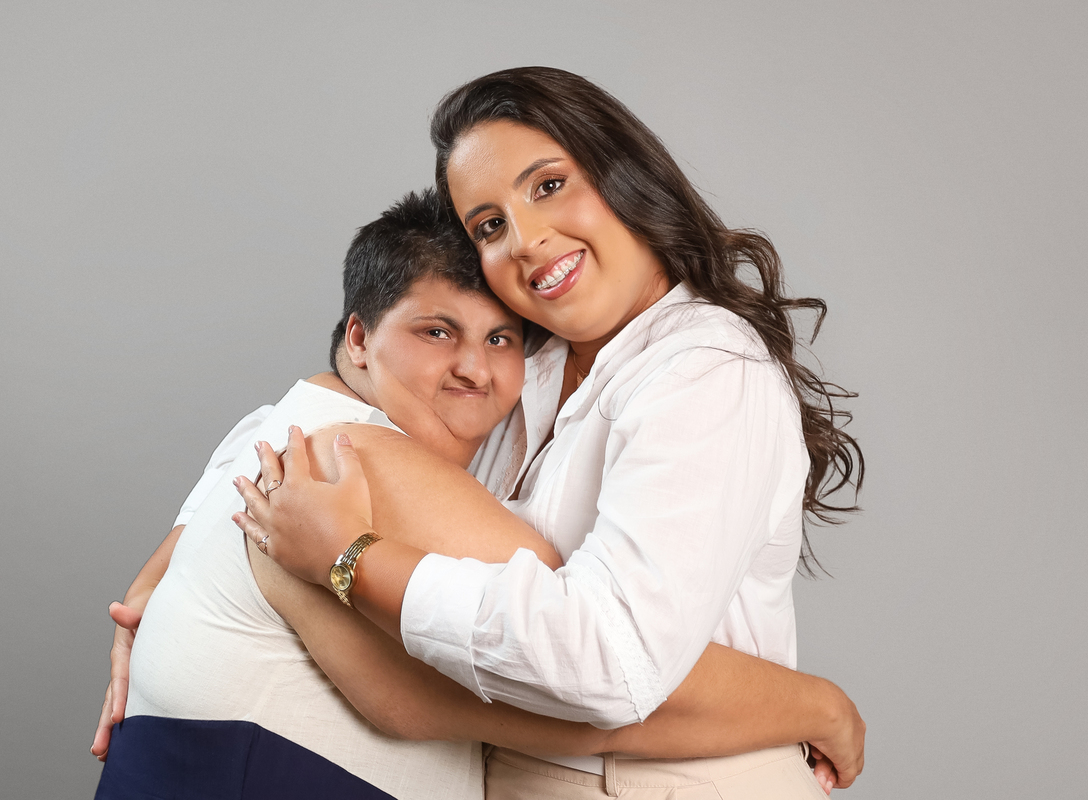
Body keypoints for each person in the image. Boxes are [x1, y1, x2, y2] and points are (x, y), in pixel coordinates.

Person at [94, 190, 863, 798]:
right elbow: (585, 669)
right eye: (436, 331)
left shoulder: (288, 428)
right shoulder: (357, 457)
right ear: (359, 338)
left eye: (501, 339)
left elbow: (553, 670)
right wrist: (816, 706)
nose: (474, 368)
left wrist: (150, 584)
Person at [234, 67, 865, 799]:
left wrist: (351, 560)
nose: (527, 240)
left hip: (668, 782)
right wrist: (152, 595)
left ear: (624, 176)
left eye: (548, 185)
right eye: (490, 226)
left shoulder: (705, 367)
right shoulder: (513, 370)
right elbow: (326, 425)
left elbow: (611, 662)